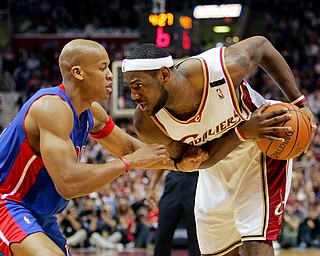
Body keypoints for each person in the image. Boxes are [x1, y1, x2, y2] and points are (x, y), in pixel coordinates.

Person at [121, 35, 317, 256]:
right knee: (218, 252)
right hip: (218, 161)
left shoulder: (219, 69)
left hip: (261, 142)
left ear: (164, 74)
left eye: (139, 86)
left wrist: (300, 103)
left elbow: (262, 46)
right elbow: (201, 161)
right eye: (129, 87)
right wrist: (242, 131)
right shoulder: (147, 124)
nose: (133, 96)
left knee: (255, 242)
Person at [0, 38, 186, 256]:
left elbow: (127, 146)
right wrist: (128, 163)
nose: (109, 74)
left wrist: (181, 162)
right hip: (7, 204)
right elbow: (68, 183)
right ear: (78, 73)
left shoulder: (91, 112)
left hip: (40, 214)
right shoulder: (52, 108)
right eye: (102, 67)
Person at [147, 169, 200, 256]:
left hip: (195, 178)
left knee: (195, 234)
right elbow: (162, 162)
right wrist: (151, 188)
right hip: (174, 178)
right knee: (163, 231)